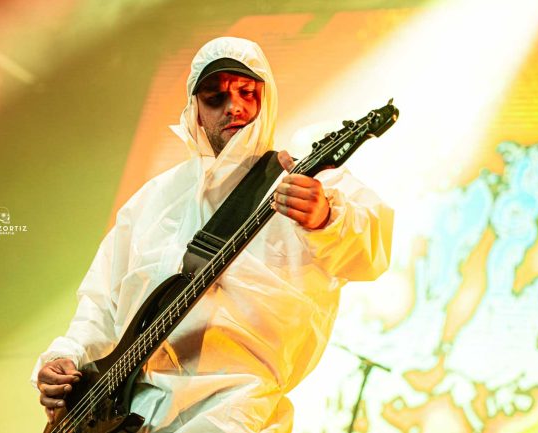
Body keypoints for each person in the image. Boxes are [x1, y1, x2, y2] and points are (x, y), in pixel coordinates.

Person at [32, 36, 393, 433]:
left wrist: (325, 217)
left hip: (233, 410)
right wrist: (66, 357)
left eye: (246, 92)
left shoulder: (306, 179)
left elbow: (371, 252)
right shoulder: (154, 199)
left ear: (266, 99)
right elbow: (101, 303)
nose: (233, 107)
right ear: (196, 111)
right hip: (119, 412)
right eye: (215, 97)